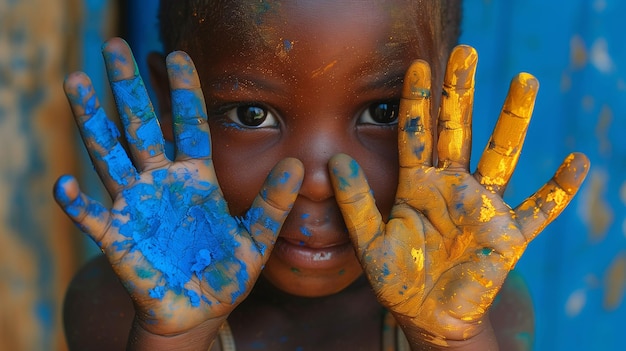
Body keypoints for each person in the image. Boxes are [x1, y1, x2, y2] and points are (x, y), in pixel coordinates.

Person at [54, 1, 590, 350]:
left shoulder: (481, 304)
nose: (317, 181)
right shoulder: (120, 305)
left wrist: (449, 338)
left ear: (444, 107)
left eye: (383, 112)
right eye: (251, 115)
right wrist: (175, 335)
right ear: (172, 106)